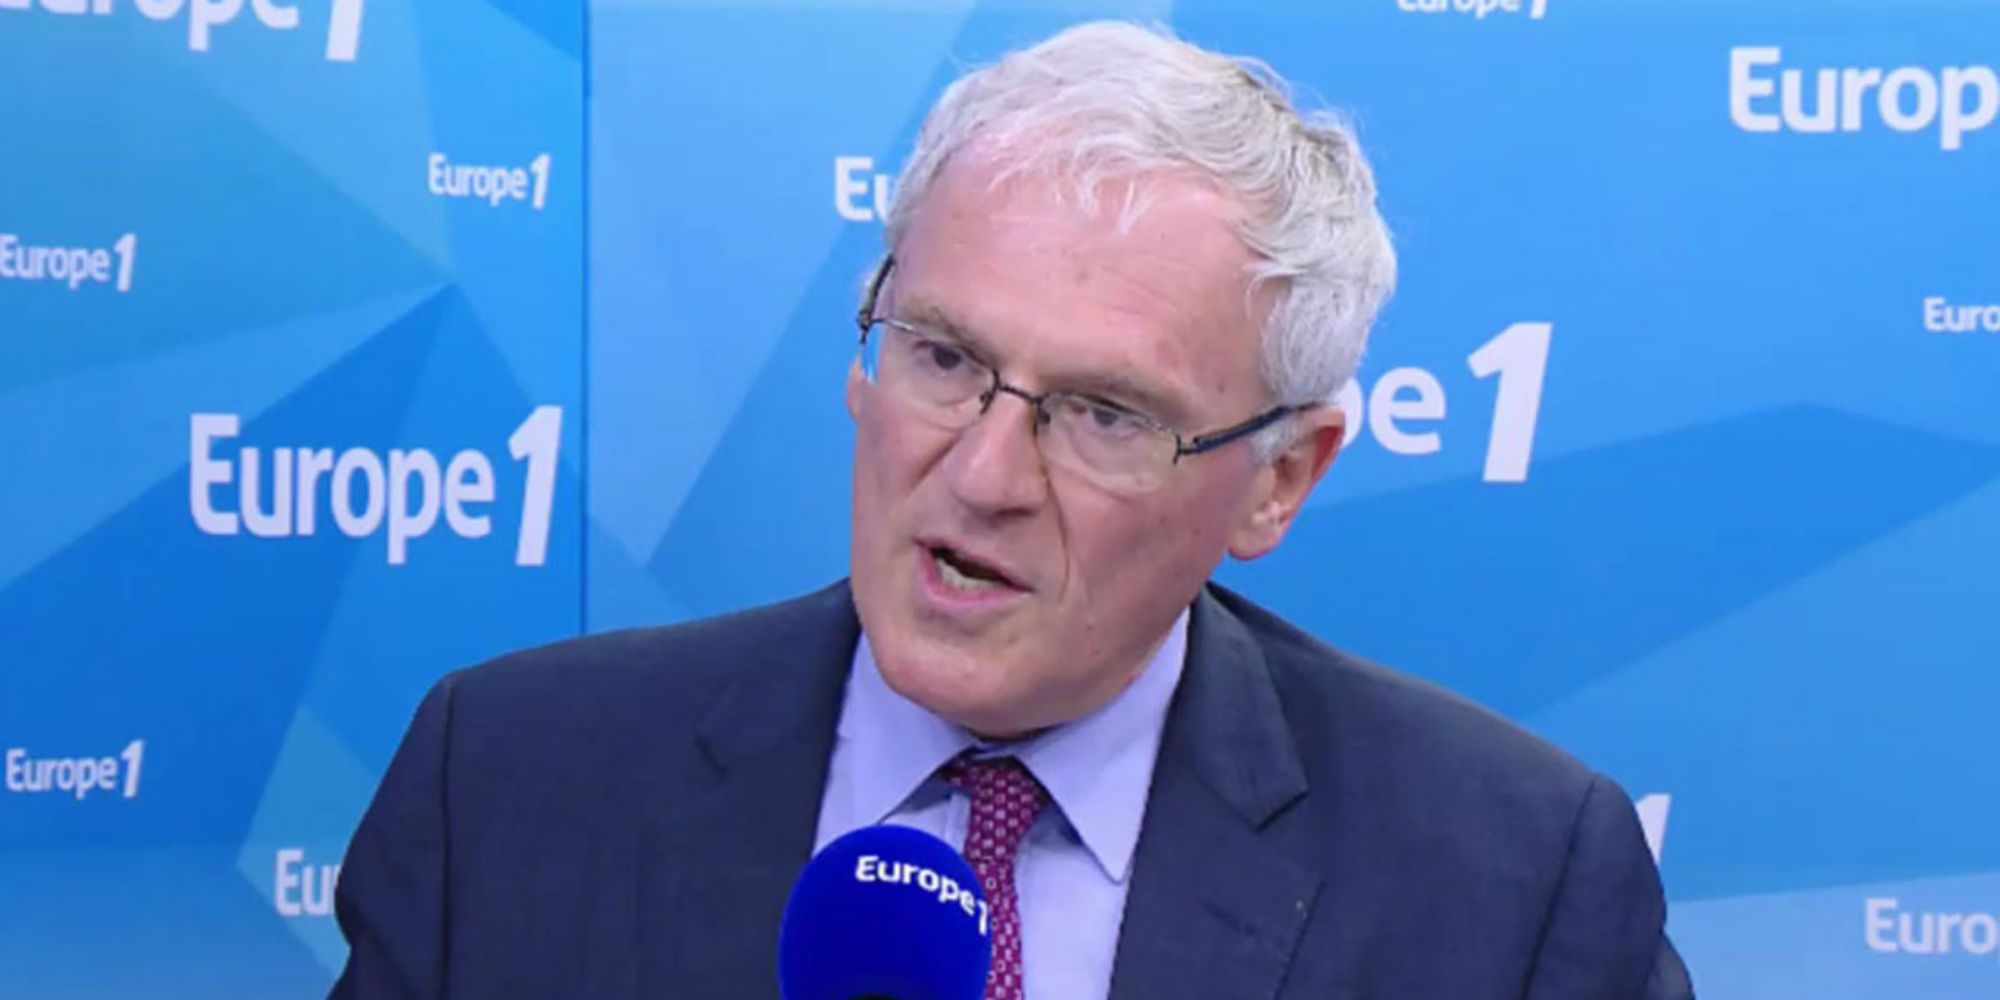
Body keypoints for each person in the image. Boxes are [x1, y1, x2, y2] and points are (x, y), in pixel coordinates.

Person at [331, 21, 1692, 1000]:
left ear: (1280, 478)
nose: (982, 475)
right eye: (941, 356)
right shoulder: (504, 785)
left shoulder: (1513, 893)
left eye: (1104, 414)